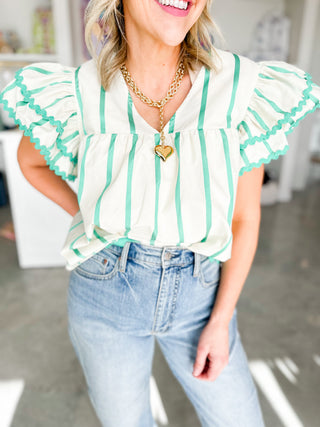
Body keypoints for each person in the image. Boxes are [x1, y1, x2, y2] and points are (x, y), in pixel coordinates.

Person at [0, 0, 319, 426]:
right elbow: (30, 162)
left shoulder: (239, 86)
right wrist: (92, 214)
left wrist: (221, 320)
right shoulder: (79, 92)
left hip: (200, 296)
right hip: (103, 292)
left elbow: (243, 218)